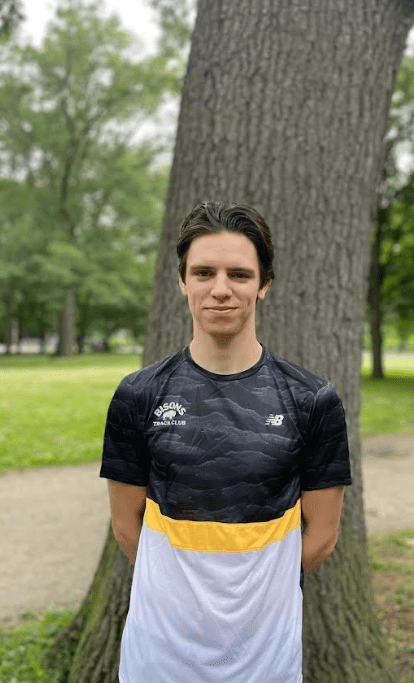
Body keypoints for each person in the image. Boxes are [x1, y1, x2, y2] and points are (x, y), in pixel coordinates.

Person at [100, 202, 352, 683]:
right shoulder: (139, 394)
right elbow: (126, 525)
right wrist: (179, 592)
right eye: (204, 273)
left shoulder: (311, 400)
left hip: (266, 658)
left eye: (239, 274)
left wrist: (260, 596)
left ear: (264, 284)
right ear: (182, 281)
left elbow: (322, 535)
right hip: (158, 655)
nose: (220, 289)